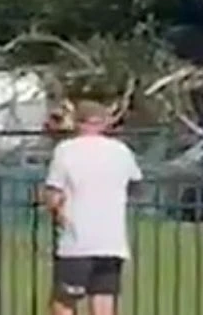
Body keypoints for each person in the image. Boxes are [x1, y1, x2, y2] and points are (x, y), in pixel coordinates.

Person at [43, 100, 144, 315]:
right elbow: (136, 185)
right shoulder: (121, 150)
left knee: (64, 302)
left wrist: (55, 209)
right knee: (104, 302)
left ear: (78, 123)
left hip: (77, 241)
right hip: (112, 240)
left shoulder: (66, 150)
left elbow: (53, 193)